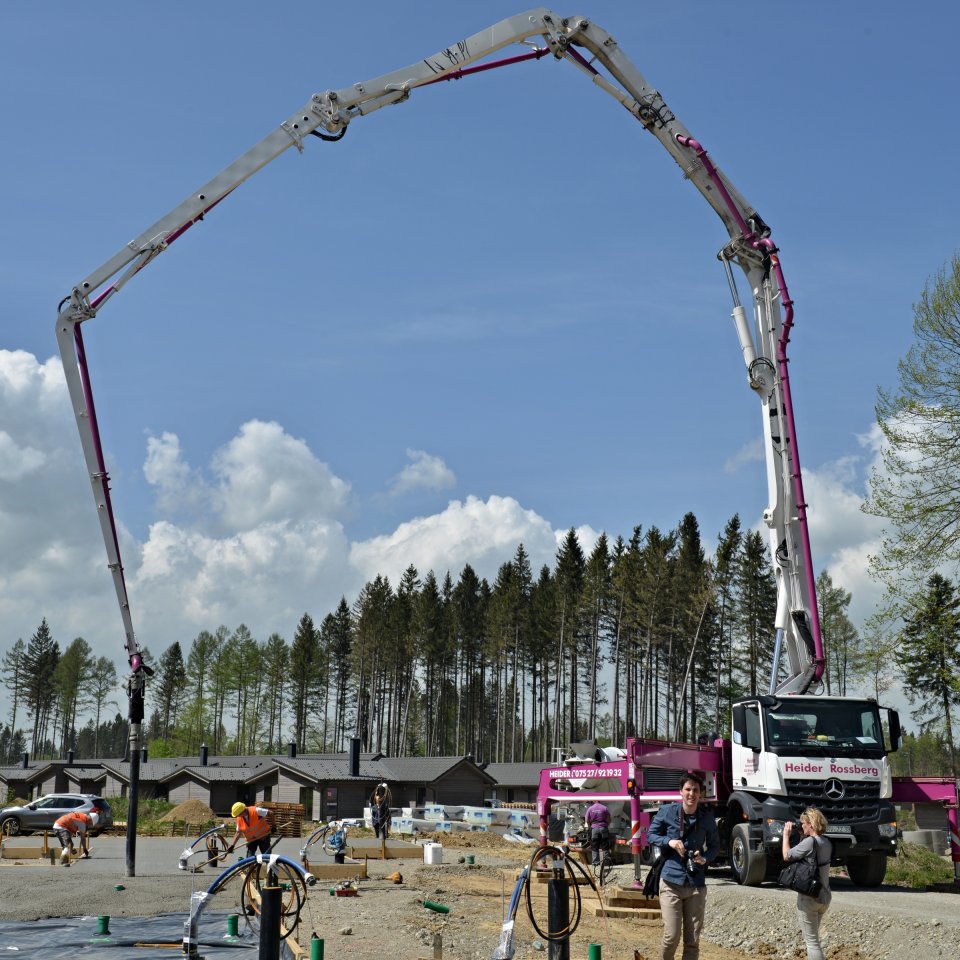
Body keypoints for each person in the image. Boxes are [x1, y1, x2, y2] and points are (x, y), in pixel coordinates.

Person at [646, 773, 720, 960]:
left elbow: (715, 846)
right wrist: (669, 841)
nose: (691, 794)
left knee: (692, 940)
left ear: (700, 793)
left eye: (695, 790)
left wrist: (705, 858)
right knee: (671, 936)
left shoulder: (707, 817)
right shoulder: (667, 811)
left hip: (696, 884)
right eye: (688, 789)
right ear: (680, 791)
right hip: (671, 881)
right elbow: (650, 835)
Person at [782, 808, 832, 960]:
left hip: (809, 898)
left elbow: (787, 855)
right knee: (814, 939)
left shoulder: (809, 842)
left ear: (811, 824)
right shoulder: (827, 842)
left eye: (803, 823)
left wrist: (786, 836)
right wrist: (802, 836)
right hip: (824, 896)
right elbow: (809, 855)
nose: (801, 825)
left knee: (812, 943)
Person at [585, 799, 611, 866]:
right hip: (603, 828)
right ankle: (606, 861)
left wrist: (589, 826)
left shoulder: (590, 808)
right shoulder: (604, 808)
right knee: (605, 844)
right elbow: (609, 818)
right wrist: (606, 825)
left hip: (594, 828)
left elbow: (587, 819)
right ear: (600, 800)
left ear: (593, 801)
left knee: (594, 845)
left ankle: (595, 862)